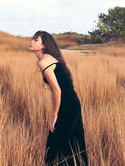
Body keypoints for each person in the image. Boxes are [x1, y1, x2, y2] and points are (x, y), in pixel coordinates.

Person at [30, 31, 88, 165]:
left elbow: (57, 89)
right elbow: (54, 90)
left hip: (68, 106)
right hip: (72, 103)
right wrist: (55, 110)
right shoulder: (50, 58)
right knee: (73, 143)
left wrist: (55, 114)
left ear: (44, 44)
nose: (31, 42)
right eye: (32, 39)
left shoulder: (44, 61)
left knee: (55, 145)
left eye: (36, 40)